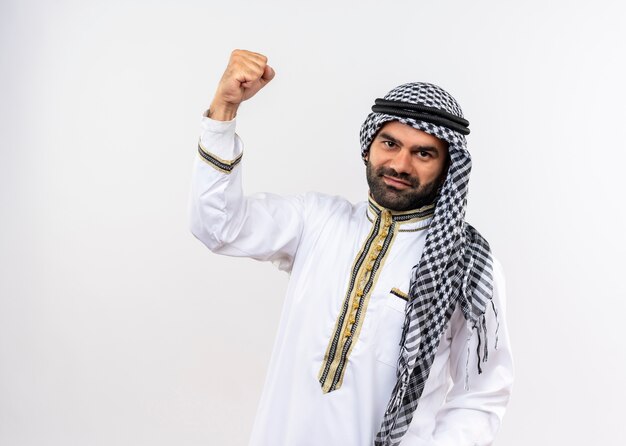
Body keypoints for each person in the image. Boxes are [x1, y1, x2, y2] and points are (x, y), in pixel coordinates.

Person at [189, 49, 514, 446]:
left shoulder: (467, 264)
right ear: (368, 146)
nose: (400, 164)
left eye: (423, 153)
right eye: (390, 143)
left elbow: (480, 395)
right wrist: (224, 109)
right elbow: (217, 226)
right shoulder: (317, 221)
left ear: (448, 167)